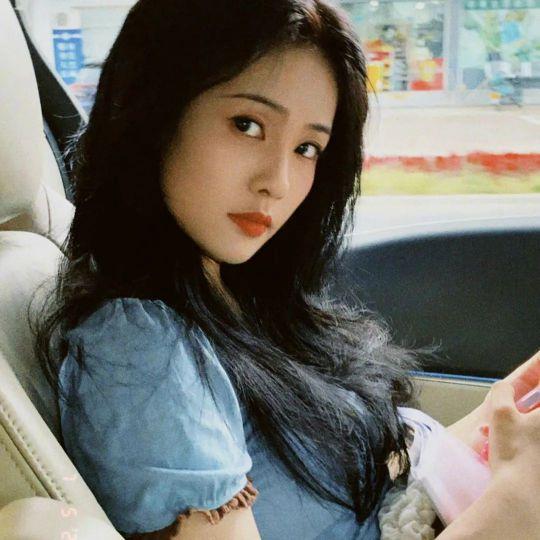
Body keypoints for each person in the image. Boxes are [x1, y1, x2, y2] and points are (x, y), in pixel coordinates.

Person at [34, 1, 540, 538]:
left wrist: (501, 422)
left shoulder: (241, 297)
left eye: (307, 148)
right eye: (247, 125)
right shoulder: (139, 352)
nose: (278, 181)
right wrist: (516, 503)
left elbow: (365, 508)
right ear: (152, 115)